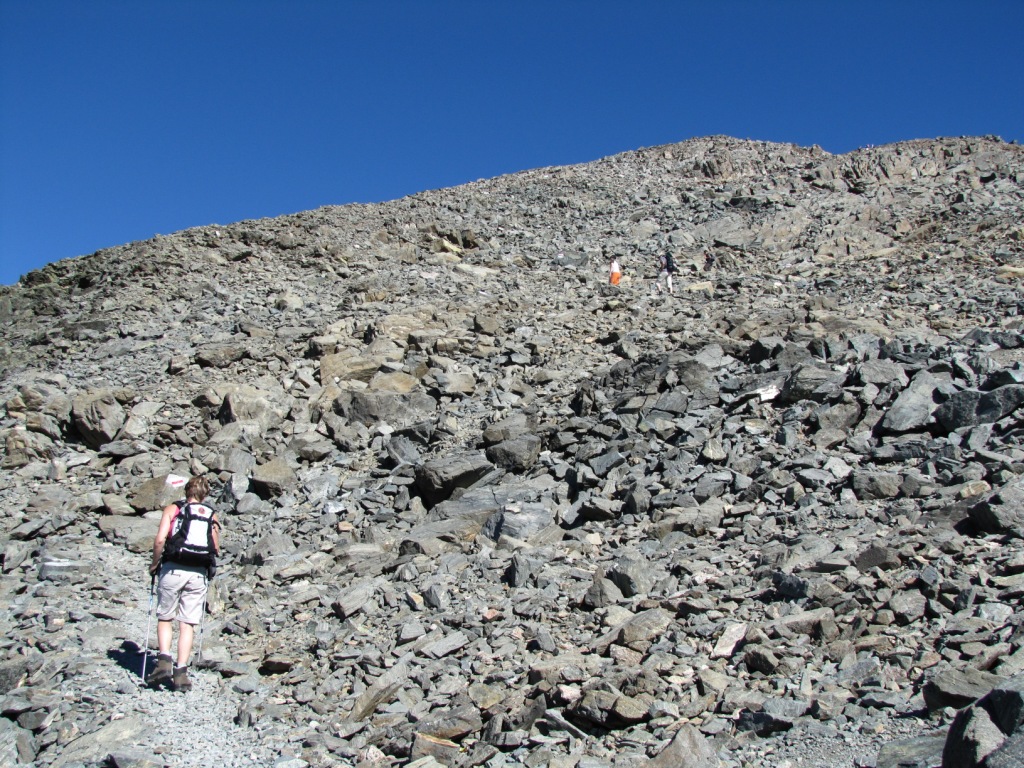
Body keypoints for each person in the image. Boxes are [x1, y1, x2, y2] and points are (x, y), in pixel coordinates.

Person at [146, 476, 219, 691]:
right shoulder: (211, 514)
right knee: (187, 623)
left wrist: (154, 563)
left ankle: (163, 661)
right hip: (198, 573)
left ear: (187, 491)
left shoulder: (174, 509)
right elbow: (215, 547)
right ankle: (181, 673)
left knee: (165, 616)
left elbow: (160, 539)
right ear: (205, 494)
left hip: (173, 568)